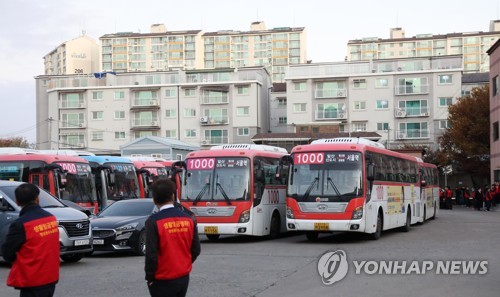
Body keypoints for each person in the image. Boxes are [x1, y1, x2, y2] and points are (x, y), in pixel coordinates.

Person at [1, 183, 60, 297]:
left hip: (32, 279)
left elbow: (7, 254)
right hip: (50, 276)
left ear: (17, 201)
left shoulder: (21, 224)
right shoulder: (51, 218)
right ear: (37, 199)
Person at [145, 179, 201, 297]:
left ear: (154, 200)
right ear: (173, 196)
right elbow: (196, 249)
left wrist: (150, 277)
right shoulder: (189, 219)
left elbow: (151, 255)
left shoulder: (153, 221)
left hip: (162, 279)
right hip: (183, 277)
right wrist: (183, 263)